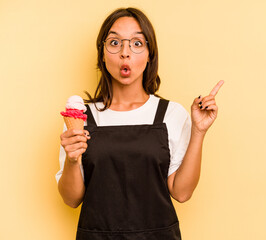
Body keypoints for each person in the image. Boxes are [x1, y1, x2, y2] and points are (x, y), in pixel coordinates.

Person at [56, 7, 224, 240]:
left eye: (136, 43)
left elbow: (182, 192)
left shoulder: (170, 114)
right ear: (102, 54)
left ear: (149, 54)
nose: (125, 52)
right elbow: (71, 199)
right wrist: (73, 160)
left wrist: (198, 131)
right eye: (115, 43)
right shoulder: (82, 117)